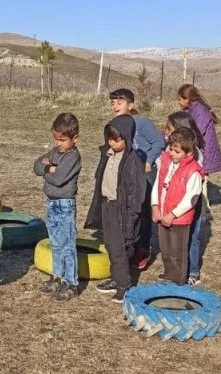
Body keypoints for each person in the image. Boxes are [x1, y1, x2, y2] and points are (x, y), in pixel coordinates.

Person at [86, 115, 146, 303]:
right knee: (111, 245)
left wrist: (131, 216)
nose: (111, 143)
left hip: (123, 210)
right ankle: (115, 278)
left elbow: (136, 192)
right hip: (107, 205)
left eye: (116, 139)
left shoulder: (132, 161)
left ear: (127, 138)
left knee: (119, 248)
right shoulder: (107, 154)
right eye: (109, 139)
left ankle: (124, 286)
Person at [108, 88, 163, 270]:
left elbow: (158, 142)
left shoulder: (142, 123)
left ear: (130, 105)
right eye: (113, 102)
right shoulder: (114, 124)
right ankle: (128, 246)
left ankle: (142, 250)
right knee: (127, 208)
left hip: (144, 173)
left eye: (120, 102)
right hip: (126, 174)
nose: (115, 106)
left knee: (143, 211)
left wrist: (148, 161)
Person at [33, 113, 82, 301]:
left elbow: (59, 179)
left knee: (67, 244)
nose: (57, 143)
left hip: (64, 205)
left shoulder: (73, 157)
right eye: (55, 139)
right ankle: (57, 276)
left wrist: (50, 171)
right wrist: (48, 168)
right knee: (55, 243)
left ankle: (71, 282)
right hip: (51, 202)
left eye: (62, 140)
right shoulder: (55, 153)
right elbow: (36, 165)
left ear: (74, 138)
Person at [151, 128, 204, 285]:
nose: (172, 154)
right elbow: (157, 184)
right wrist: (155, 205)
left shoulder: (192, 171)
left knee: (177, 252)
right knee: (166, 250)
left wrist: (173, 214)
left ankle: (178, 282)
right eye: (171, 149)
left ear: (188, 153)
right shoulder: (166, 161)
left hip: (179, 220)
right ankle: (169, 275)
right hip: (162, 214)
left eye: (177, 151)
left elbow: (191, 199)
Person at [164, 111, 207, 285]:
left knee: (192, 236)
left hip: (191, 202)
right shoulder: (173, 151)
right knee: (176, 240)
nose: (165, 132)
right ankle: (177, 270)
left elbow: (193, 184)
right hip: (174, 201)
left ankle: (193, 271)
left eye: (169, 128)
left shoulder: (194, 155)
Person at [177, 84, 221, 176]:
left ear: (186, 99)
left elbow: (196, 130)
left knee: (198, 177)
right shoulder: (192, 109)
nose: (178, 102)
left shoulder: (199, 110)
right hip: (200, 148)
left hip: (204, 151)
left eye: (179, 99)